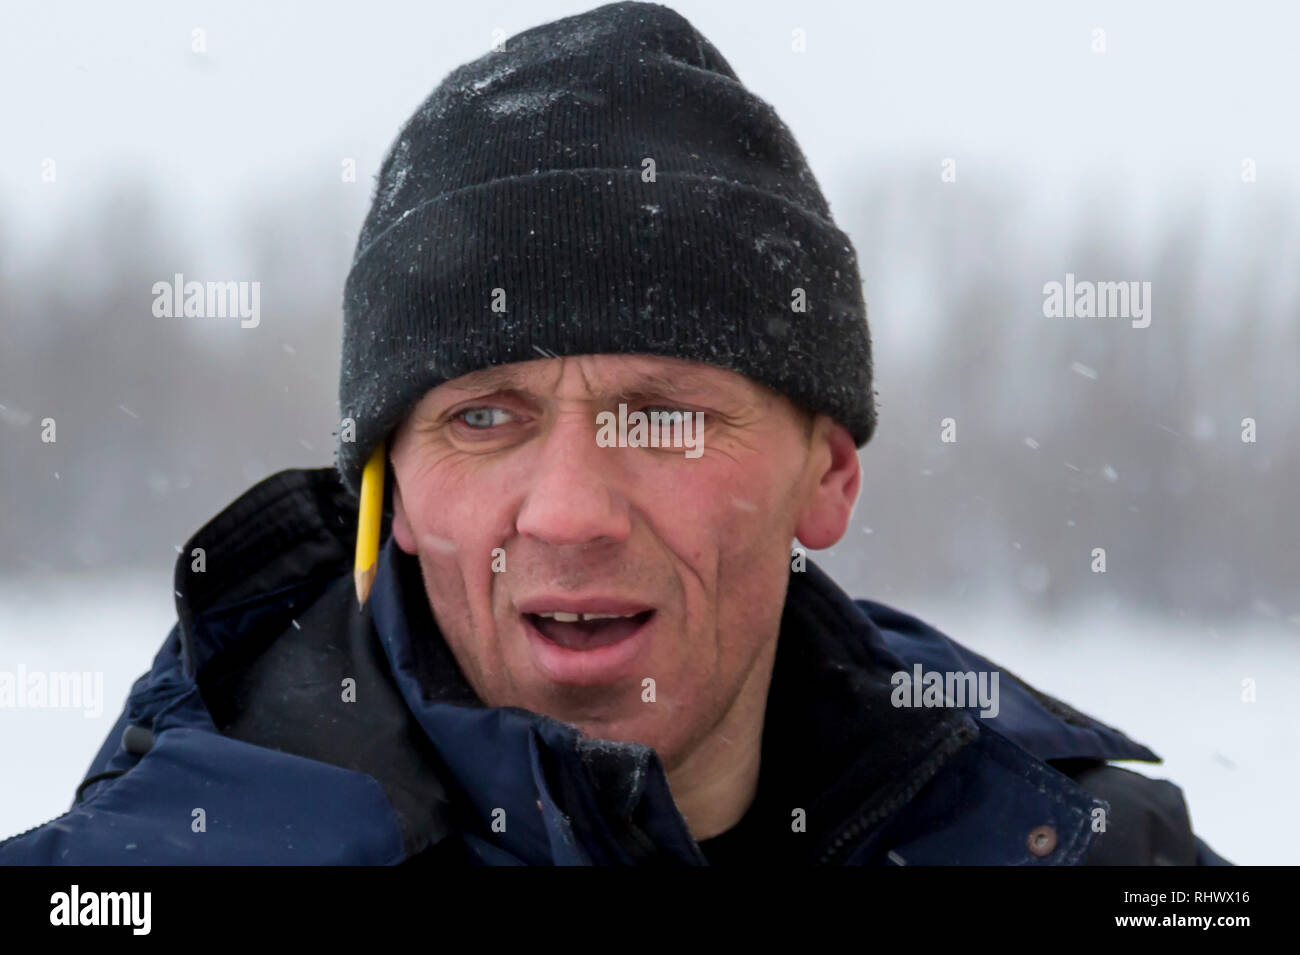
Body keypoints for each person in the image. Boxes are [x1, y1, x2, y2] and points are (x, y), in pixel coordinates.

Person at [0, 0, 1228, 866]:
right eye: (483, 418)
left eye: (664, 416)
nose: (571, 510)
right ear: (396, 495)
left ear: (830, 475)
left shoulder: (1087, 850)